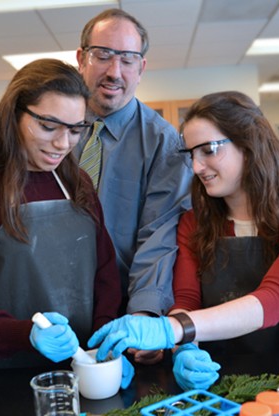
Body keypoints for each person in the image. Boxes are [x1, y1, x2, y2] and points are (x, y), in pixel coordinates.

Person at [87, 91, 279, 391]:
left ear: (249, 144)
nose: (196, 167)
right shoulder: (193, 223)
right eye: (191, 154)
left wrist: (170, 330)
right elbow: (186, 300)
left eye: (208, 150)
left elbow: (271, 301)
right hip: (212, 375)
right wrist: (185, 349)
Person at [0, 59, 123, 375]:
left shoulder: (79, 183)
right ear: (14, 116)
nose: (63, 144)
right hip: (7, 377)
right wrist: (26, 335)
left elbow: (106, 280)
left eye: (76, 130)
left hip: (85, 367)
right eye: (48, 126)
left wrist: (105, 352)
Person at [75, 10, 193, 329]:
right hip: (49, 307)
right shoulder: (55, 128)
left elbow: (160, 234)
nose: (115, 71)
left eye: (127, 59)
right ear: (81, 59)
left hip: (123, 313)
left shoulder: (163, 143)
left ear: (141, 68)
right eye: (103, 56)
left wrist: (144, 314)